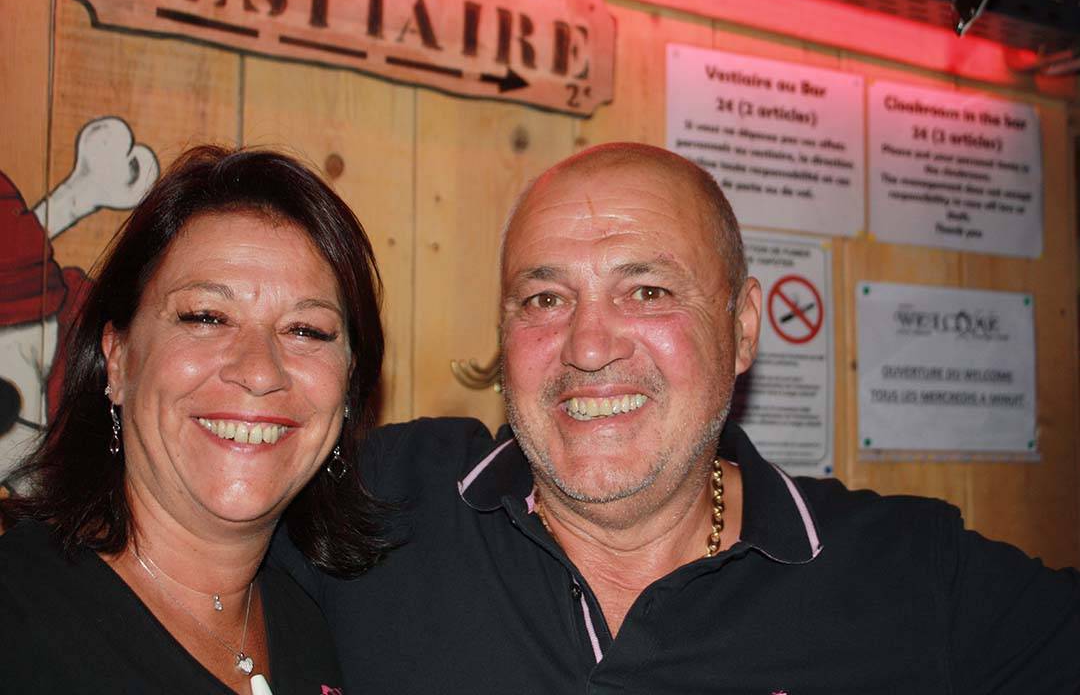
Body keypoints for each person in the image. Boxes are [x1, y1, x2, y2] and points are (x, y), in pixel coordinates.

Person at [275, 142, 1080, 694]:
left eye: (648, 291)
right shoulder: (380, 501)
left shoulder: (909, 573)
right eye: (545, 299)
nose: (589, 347)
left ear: (742, 329)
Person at [0, 145, 388, 694]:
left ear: (349, 384)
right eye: (206, 317)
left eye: (306, 330)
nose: (259, 371)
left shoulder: (316, 628)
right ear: (118, 359)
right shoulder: (17, 617)